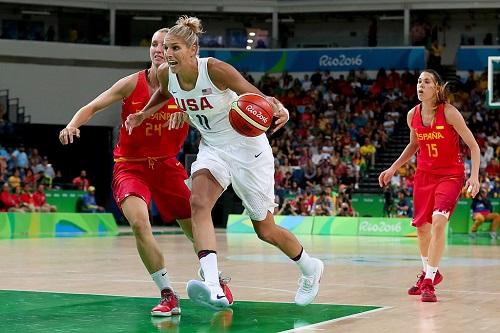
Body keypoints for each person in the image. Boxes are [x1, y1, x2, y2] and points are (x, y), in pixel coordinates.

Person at [125, 15, 324, 310]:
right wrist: (143, 114)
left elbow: (254, 94)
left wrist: (278, 106)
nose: (168, 54)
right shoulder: (167, 74)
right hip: (213, 148)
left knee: (265, 230)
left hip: (248, 150)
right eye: (166, 48)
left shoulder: (215, 70)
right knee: (199, 204)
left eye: (175, 48)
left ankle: (310, 268)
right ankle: (213, 286)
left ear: (193, 50)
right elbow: (163, 93)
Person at [59, 28, 232, 317]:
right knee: (139, 223)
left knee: (195, 229)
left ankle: (215, 279)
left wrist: (187, 112)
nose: (157, 50)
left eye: (164, 45)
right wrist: (73, 124)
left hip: (166, 166)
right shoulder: (131, 83)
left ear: (175, 52)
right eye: (153, 44)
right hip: (130, 165)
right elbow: (94, 105)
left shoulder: (188, 84)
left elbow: (214, 114)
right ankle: (167, 293)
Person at [378, 69, 480, 302]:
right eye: (418, 81)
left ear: (436, 87)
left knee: (439, 221)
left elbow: (474, 146)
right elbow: (413, 145)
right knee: (422, 228)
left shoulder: (450, 113)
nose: (420, 85)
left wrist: (474, 177)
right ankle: (430, 272)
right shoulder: (412, 115)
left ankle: (428, 283)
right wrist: (393, 168)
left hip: (450, 175)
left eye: (426, 82)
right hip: (424, 175)